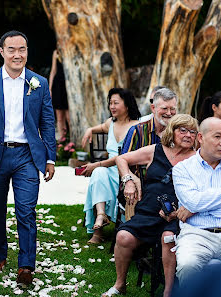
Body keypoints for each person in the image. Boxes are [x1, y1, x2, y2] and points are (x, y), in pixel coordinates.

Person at [0, 30, 56, 285]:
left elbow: (47, 123)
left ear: (27, 52)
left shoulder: (39, 83)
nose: (17, 55)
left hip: (27, 156)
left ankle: (26, 265)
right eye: (12, 50)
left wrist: (50, 157)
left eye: (22, 50)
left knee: (26, 210)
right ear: (2, 52)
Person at [101, 114, 198, 297]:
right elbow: (121, 159)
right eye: (183, 130)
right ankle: (120, 284)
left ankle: (168, 291)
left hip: (177, 215)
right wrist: (129, 179)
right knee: (123, 237)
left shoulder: (196, 159)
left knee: (168, 237)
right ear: (172, 131)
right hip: (148, 210)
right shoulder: (156, 150)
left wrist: (178, 212)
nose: (188, 135)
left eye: (192, 132)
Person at [172, 117, 221, 285]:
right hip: (197, 234)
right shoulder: (182, 169)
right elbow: (193, 202)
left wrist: (200, 204)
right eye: (217, 137)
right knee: (188, 266)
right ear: (201, 138)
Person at [80, 88, 140, 244]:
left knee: (98, 171)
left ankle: (100, 225)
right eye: (110, 103)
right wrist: (89, 130)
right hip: (109, 171)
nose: (112, 106)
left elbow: (123, 158)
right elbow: (99, 127)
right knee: (99, 173)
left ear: (127, 105)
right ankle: (101, 217)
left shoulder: (136, 127)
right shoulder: (110, 123)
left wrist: (97, 164)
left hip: (127, 171)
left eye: (116, 103)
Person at [121, 88, 177, 154]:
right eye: (164, 108)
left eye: (172, 109)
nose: (169, 113)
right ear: (153, 108)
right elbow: (123, 159)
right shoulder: (137, 131)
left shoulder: (179, 132)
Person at [49, 49, 69, 139]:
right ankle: (62, 141)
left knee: (69, 116)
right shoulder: (56, 52)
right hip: (58, 85)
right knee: (60, 116)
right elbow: (53, 70)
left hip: (69, 85)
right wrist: (49, 88)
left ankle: (72, 139)